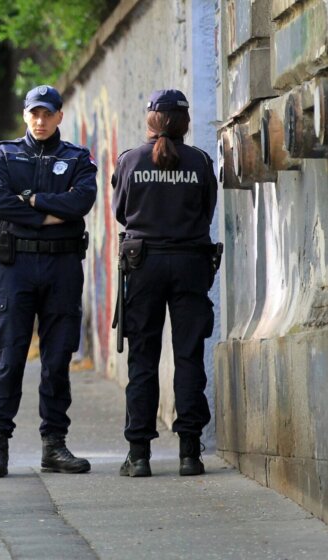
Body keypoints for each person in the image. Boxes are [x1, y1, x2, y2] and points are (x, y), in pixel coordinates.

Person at [0, 85, 98, 478]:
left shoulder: (77, 158)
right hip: (16, 265)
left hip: (62, 265)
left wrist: (30, 200)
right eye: (35, 114)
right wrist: (50, 214)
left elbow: (80, 203)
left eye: (48, 114)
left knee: (57, 359)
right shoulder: (5, 154)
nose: (41, 121)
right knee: (10, 356)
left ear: (60, 115)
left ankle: (54, 444)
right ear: (25, 115)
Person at [112, 89, 218, 478]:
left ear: (151, 121)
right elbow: (207, 210)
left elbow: (121, 211)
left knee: (143, 359)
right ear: (185, 123)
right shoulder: (200, 161)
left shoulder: (130, 161)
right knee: (189, 356)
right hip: (191, 262)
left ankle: (139, 454)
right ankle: (190, 453)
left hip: (144, 265)